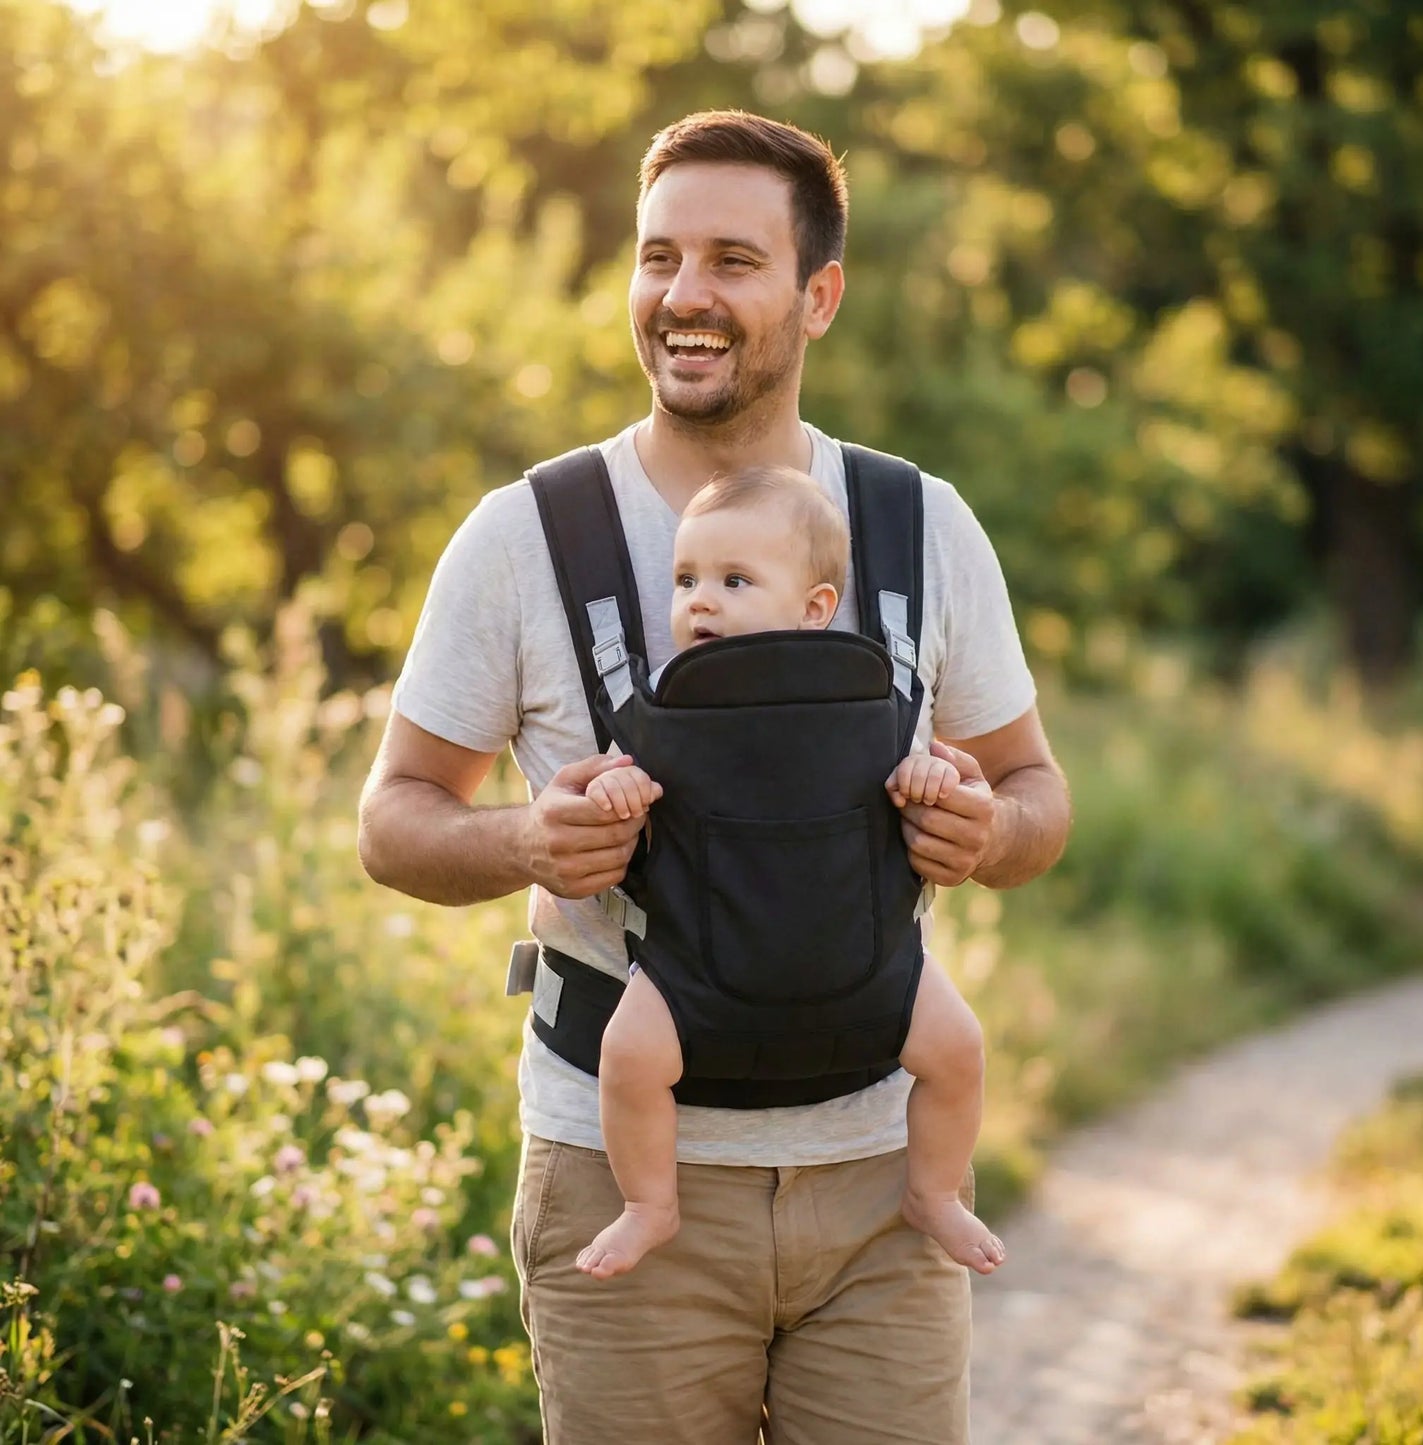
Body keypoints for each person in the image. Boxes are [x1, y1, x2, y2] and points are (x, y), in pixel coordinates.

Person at [359, 109, 1071, 1445]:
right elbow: (392, 823)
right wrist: (526, 844)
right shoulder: (524, 537)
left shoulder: (924, 526)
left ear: (819, 295)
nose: (683, 296)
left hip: (881, 1181)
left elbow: (1036, 794)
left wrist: (986, 828)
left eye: (733, 261)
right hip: (617, 1177)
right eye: (657, 257)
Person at [577, 464, 1006, 1283]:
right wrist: (614, 786)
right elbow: (609, 773)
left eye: (734, 580)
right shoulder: (667, 700)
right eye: (685, 579)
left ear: (816, 609)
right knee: (629, 1057)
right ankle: (648, 1204)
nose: (699, 600)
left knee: (956, 1048)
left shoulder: (868, 695)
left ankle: (934, 1189)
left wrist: (929, 783)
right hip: (692, 970)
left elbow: (926, 776)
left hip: (872, 965)